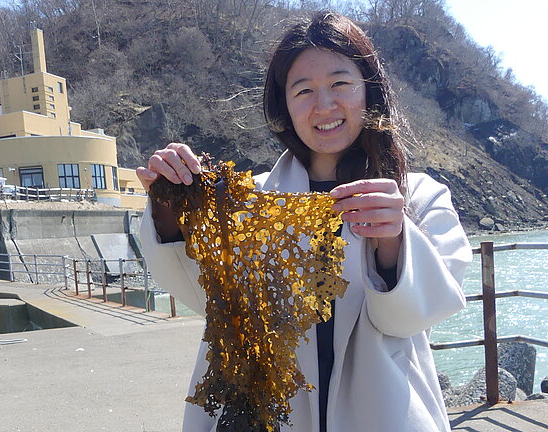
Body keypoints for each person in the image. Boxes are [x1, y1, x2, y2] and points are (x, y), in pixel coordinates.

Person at [136, 10, 472, 432]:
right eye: (303, 90)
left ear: (369, 91)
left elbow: (409, 318)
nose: (324, 105)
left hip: (385, 412)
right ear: (285, 107)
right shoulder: (250, 201)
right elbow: (201, 296)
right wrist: (169, 205)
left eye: (340, 83)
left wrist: (395, 239)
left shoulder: (417, 196)